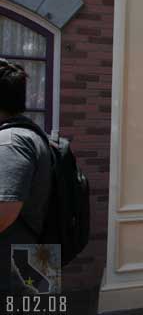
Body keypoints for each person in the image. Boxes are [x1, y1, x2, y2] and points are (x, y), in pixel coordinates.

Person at [0, 59, 52, 292]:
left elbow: (4, 212)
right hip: (31, 263)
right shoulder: (29, 134)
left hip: (14, 273)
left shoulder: (10, 141)